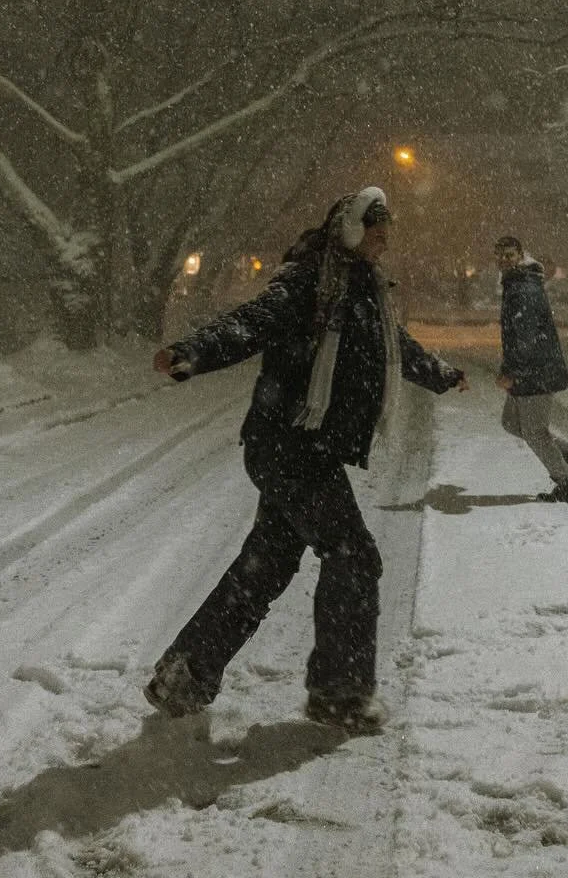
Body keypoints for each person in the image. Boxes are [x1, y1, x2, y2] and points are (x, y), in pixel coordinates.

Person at [145, 186, 467, 730]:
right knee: (353, 555)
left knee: (266, 564)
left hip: (300, 449)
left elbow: (395, 346)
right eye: (376, 231)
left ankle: (183, 676)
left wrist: (440, 374)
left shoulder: (364, 290)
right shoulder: (309, 281)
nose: (384, 242)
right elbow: (252, 321)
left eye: (387, 234)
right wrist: (192, 352)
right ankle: (338, 696)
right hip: (289, 448)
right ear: (349, 229)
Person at [494, 233, 568, 503]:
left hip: (536, 370)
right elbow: (518, 336)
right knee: (512, 422)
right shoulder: (517, 283)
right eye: (500, 256)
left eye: (510, 255)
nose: (504, 260)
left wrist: (512, 373)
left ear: (521, 256)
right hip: (532, 368)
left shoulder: (523, 288)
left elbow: (524, 338)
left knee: (535, 432)